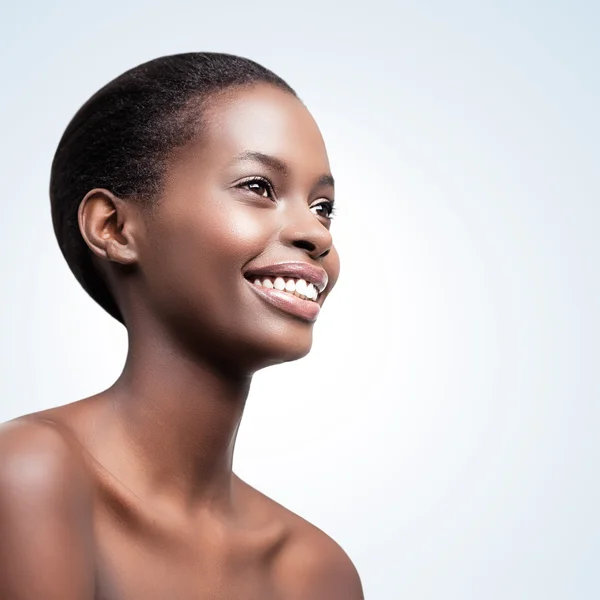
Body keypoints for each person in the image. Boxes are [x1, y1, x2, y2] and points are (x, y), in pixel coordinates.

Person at [0, 52, 363, 599]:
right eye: (259, 187)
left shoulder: (316, 572)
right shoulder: (31, 474)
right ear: (115, 227)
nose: (317, 233)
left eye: (322, 206)